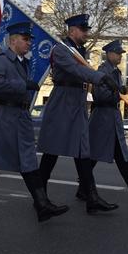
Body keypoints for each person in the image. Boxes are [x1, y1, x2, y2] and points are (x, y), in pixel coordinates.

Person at [0, 21, 69, 223]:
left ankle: (42, 205)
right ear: (13, 40)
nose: (29, 43)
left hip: (19, 118)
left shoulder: (22, 62)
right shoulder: (0, 60)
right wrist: (23, 84)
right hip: (2, 118)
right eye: (25, 39)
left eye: (30, 40)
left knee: (29, 162)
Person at [37, 14, 120, 214]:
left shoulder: (79, 51)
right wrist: (102, 78)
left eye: (86, 30)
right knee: (51, 153)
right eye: (83, 30)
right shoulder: (62, 51)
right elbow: (77, 71)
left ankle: (91, 197)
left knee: (83, 152)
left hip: (77, 103)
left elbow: (83, 72)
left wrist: (100, 79)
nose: (86, 33)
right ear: (72, 30)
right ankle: (39, 197)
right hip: (63, 103)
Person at [85, 40, 128, 202]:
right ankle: (85, 188)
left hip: (112, 118)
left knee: (121, 155)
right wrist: (116, 93)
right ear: (109, 54)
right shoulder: (103, 71)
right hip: (103, 119)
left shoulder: (115, 72)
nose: (120, 57)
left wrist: (118, 90)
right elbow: (100, 97)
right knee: (94, 156)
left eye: (121, 54)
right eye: (118, 54)